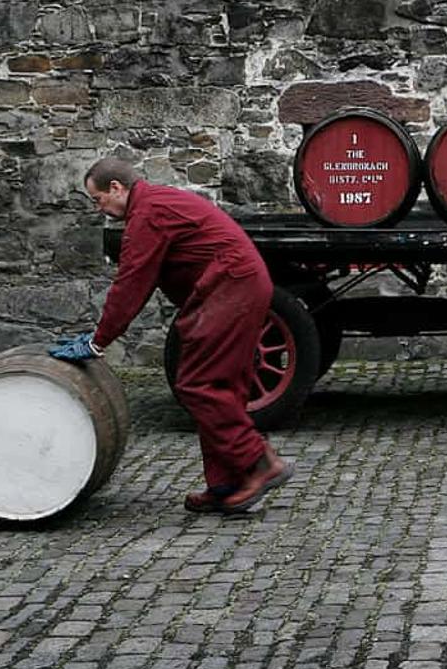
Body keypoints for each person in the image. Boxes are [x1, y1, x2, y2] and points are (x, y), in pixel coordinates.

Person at [49, 157, 292, 515]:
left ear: (116, 188)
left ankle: (260, 462)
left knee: (199, 384)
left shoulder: (147, 215)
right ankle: (226, 483)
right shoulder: (156, 204)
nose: (99, 208)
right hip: (237, 284)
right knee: (222, 386)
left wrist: (98, 340)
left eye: (97, 199)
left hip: (230, 286)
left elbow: (132, 283)